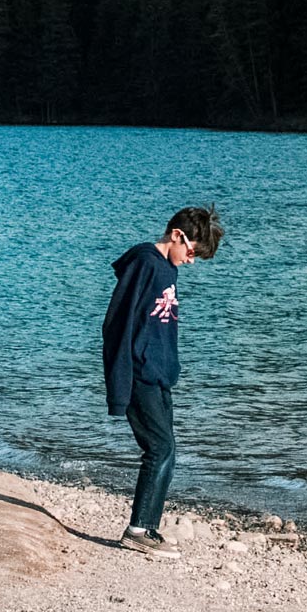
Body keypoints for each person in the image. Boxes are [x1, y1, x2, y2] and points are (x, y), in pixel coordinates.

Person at [100, 204, 223, 555]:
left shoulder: (168, 270)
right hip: (140, 373)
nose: (191, 260)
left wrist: (170, 370)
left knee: (167, 449)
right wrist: (120, 384)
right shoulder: (144, 265)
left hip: (159, 375)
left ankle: (147, 527)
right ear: (177, 236)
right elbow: (116, 326)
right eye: (192, 251)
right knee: (160, 448)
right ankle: (137, 530)